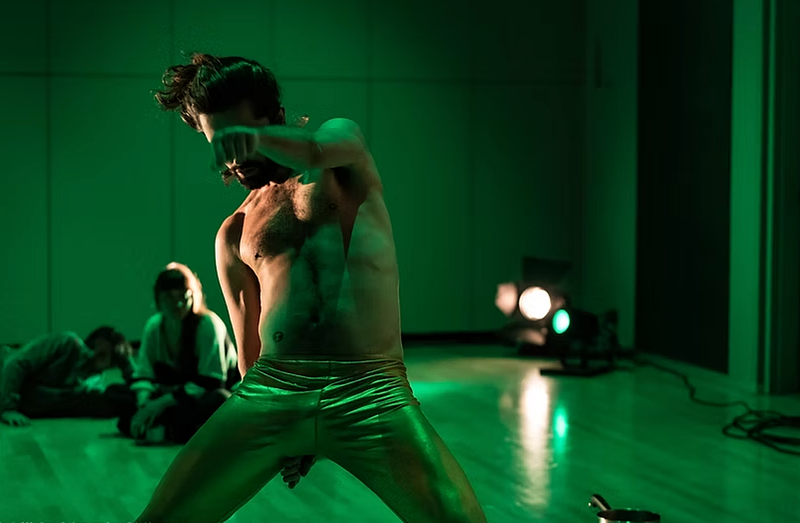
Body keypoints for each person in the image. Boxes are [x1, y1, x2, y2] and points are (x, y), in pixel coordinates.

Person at [134, 54, 486, 523]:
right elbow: (249, 356)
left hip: (371, 389)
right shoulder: (233, 232)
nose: (235, 157)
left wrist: (253, 138)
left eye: (243, 137)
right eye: (221, 143)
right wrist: (287, 433)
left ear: (276, 118)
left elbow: (318, 150)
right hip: (272, 390)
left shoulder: (341, 158)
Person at [117, 262, 239, 445]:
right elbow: (144, 374)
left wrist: (161, 403)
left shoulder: (207, 325)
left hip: (202, 396)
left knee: (219, 400)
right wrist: (144, 405)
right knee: (119, 395)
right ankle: (167, 428)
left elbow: (212, 382)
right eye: (169, 297)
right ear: (158, 299)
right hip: (173, 396)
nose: (178, 303)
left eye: (184, 296)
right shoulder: (154, 326)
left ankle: (168, 430)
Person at [0, 326, 134, 426]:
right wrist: (8, 409)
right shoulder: (67, 344)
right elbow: (15, 364)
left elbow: (122, 400)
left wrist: (127, 364)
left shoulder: (89, 388)